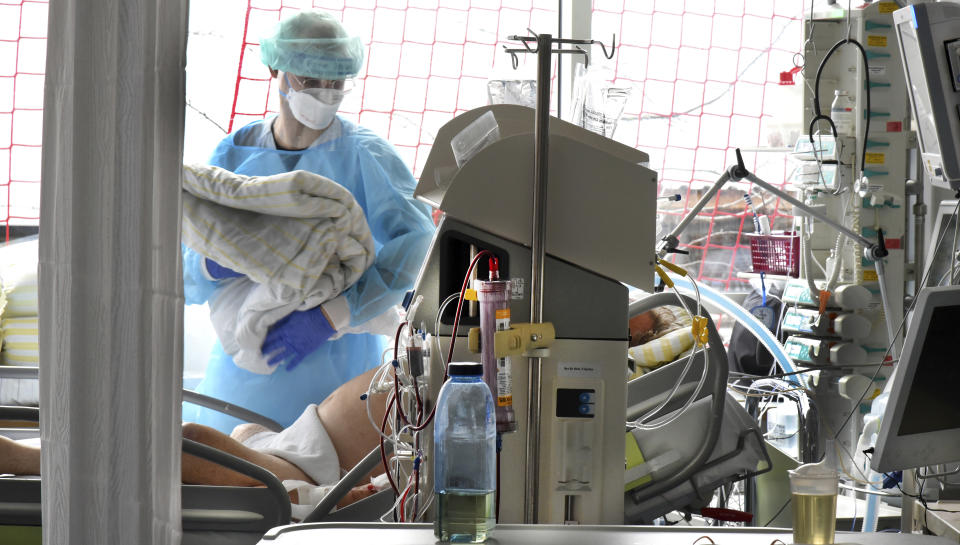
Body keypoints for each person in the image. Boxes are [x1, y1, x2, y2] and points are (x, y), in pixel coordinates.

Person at [182, 10, 434, 432]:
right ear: (275, 70)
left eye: (336, 82)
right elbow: (185, 260)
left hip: (337, 380)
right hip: (240, 382)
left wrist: (334, 314)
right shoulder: (232, 156)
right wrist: (217, 262)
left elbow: (418, 245)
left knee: (328, 486)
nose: (324, 92)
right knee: (233, 479)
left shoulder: (364, 155)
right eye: (310, 80)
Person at [0, 367, 389, 511]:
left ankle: (27, 459)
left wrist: (355, 493)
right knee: (239, 432)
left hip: (314, 473)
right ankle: (36, 451)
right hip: (300, 444)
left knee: (189, 441)